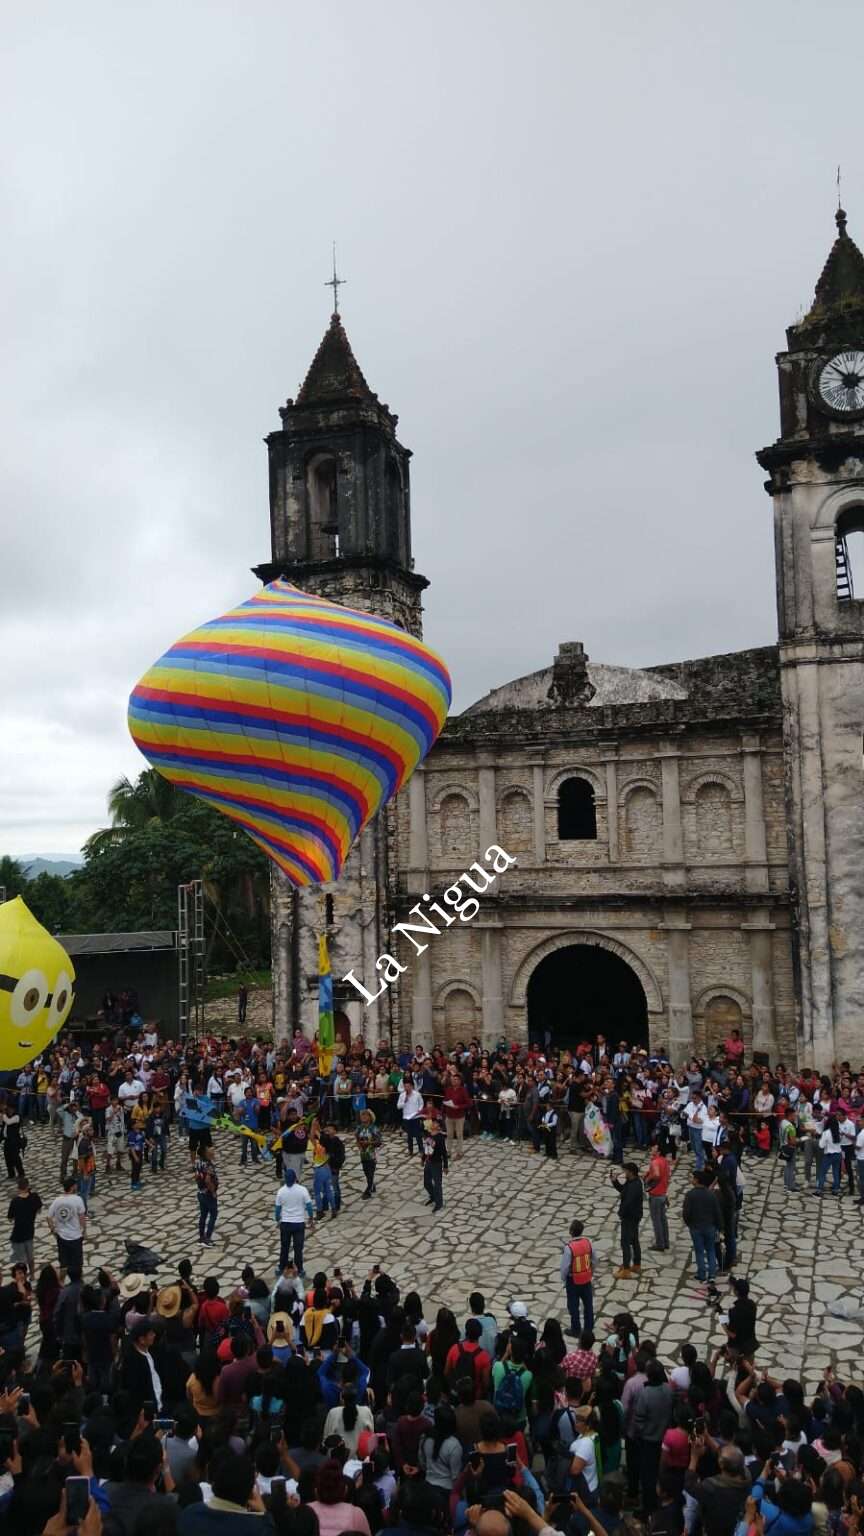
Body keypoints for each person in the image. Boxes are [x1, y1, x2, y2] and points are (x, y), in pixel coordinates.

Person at [682, 1170, 722, 1284]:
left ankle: (701, 1274)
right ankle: (712, 1274)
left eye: (693, 1178)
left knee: (699, 1251)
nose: (691, 1180)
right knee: (711, 1250)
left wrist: (689, 1223)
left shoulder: (690, 1195)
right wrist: (719, 1227)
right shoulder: (711, 1194)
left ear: (697, 1180)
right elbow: (717, 1212)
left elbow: (686, 1213)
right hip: (710, 1227)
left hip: (696, 1227)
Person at [274, 1167, 314, 1273]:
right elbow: (309, 1206)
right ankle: (300, 1269)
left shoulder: (281, 1192)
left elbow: (277, 1209)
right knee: (298, 1249)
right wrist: (311, 1217)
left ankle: (282, 1267)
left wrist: (277, 1219)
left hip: (286, 1223)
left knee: (284, 1247)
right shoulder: (302, 1190)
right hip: (299, 1223)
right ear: (295, 1178)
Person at [561, 1218, 595, 1336]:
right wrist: (591, 1271)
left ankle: (576, 1329)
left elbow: (565, 1267)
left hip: (573, 1280)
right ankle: (588, 1329)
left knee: (573, 1307)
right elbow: (594, 1260)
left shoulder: (569, 1248)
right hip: (586, 1278)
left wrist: (564, 1279)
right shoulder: (588, 1243)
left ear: (571, 1232)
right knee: (588, 1305)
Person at [47, 1174, 87, 1273]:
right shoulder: (78, 1199)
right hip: (75, 1236)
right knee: (77, 1264)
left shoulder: (57, 1201)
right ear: (72, 1187)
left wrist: (53, 1230)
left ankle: (62, 1283)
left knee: (64, 1264)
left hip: (62, 1237)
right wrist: (84, 1231)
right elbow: (82, 1218)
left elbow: (48, 1217)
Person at [611, 1162, 643, 1278]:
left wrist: (621, 1213)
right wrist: (615, 1181)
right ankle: (636, 1264)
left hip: (630, 1217)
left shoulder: (635, 1185)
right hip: (634, 1216)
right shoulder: (632, 1182)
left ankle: (626, 1269)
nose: (624, 1173)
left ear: (630, 1172)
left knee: (625, 1242)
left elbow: (628, 1202)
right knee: (634, 1240)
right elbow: (623, 1190)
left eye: (625, 1171)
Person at [7, 1175, 42, 1275]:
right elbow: (39, 1210)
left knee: (20, 1261)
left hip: (18, 1234)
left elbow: (10, 1219)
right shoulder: (34, 1197)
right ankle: (32, 1276)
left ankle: (23, 1279)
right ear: (28, 1186)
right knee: (30, 1257)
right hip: (29, 1232)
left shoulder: (15, 1201)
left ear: (18, 1187)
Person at [644, 1138, 671, 1251]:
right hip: (663, 1194)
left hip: (655, 1195)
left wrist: (647, 1179)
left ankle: (659, 1244)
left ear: (659, 1151)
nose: (652, 1148)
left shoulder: (655, 1162)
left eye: (655, 1147)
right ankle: (666, 1242)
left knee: (657, 1221)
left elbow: (657, 1175)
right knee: (663, 1219)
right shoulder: (664, 1161)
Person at [421, 1114, 449, 1211]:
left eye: (436, 1123)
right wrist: (423, 1159)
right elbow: (426, 1147)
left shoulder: (440, 1138)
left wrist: (445, 1166)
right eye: (433, 1122)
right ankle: (433, 1196)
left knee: (437, 1184)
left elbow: (444, 1153)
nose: (433, 1124)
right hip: (428, 1162)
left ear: (439, 1126)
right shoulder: (428, 1134)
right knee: (426, 1182)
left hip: (436, 1163)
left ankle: (439, 1203)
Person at [196, 1144, 220, 1246]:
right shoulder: (208, 1165)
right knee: (213, 1215)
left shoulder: (199, 1163)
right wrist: (213, 1192)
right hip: (208, 1194)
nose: (212, 1150)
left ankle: (201, 1237)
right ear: (206, 1153)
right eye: (209, 1149)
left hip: (200, 1192)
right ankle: (208, 1238)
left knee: (203, 1215)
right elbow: (208, 1180)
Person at [356, 1107, 382, 1198]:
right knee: (366, 1172)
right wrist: (359, 1146)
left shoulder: (373, 1128)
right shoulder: (359, 1128)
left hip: (372, 1154)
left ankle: (368, 1191)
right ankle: (372, 1185)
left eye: (365, 1115)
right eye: (362, 1115)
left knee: (370, 1172)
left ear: (370, 1117)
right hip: (363, 1154)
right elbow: (357, 1138)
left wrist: (369, 1143)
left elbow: (379, 1142)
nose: (363, 1116)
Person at [398, 1074, 425, 1156]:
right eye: (405, 1086)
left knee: (418, 1135)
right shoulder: (402, 1095)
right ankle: (410, 1150)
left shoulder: (417, 1094)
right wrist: (404, 1102)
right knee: (409, 1135)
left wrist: (419, 1110)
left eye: (408, 1086)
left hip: (416, 1117)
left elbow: (421, 1103)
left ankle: (421, 1150)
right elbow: (398, 1106)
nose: (407, 1088)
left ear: (412, 1086)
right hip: (406, 1117)